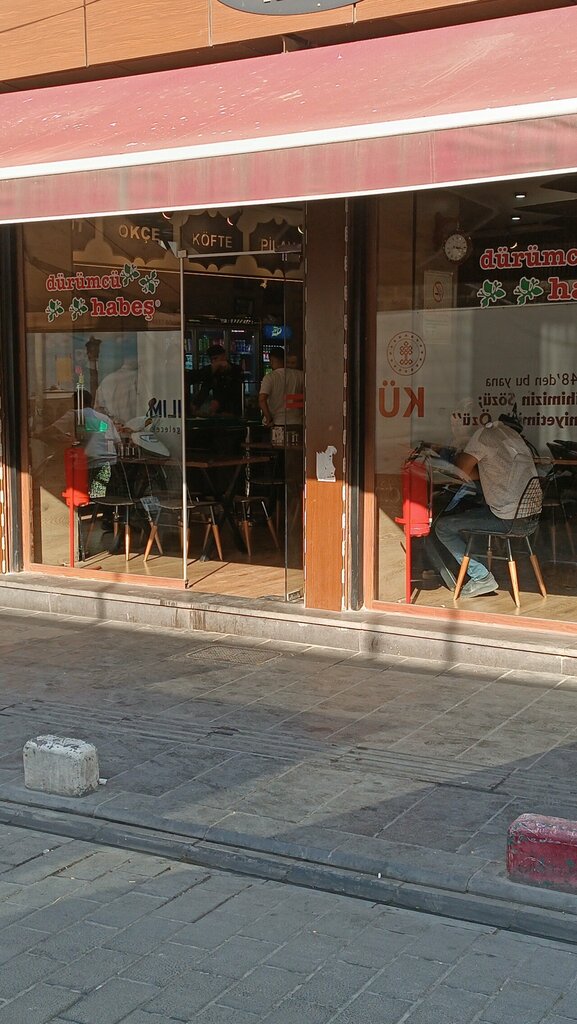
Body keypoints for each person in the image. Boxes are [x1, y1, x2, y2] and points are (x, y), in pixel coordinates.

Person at [435, 417, 540, 597]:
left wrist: (459, 445)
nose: (455, 426)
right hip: (529, 518)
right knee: (473, 514)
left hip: (508, 519)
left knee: (443, 527)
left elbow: (462, 470)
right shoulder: (510, 433)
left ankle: (481, 577)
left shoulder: (484, 435)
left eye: (459, 421)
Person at [191, 344, 243, 418]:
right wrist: (195, 406)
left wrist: (219, 402)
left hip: (235, 412)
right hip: (218, 414)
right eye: (212, 360)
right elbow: (204, 390)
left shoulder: (236, 370)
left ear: (224, 356)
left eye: (215, 358)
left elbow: (237, 392)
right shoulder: (213, 373)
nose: (214, 362)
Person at [258, 347, 304, 427]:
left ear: (271, 360)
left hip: (277, 422)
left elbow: (262, 399)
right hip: (298, 421)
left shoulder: (270, 377)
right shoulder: (300, 375)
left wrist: (269, 418)